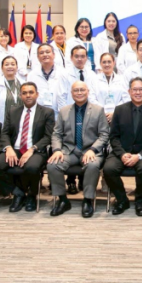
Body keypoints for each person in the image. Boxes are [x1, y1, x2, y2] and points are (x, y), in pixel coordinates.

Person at [102, 77, 142, 217]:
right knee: (108, 169)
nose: (138, 92)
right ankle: (122, 200)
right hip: (122, 152)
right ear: (129, 91)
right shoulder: (119, 110)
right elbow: (114, 137)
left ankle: (140, 201)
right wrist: (122, 154)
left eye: (141, 89)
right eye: (134, 90)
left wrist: (139, 155)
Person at [0, 82, 54, 213]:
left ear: (37, 94)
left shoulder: (47, 112)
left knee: (32, 167)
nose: (28, 95)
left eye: (31, 92)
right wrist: (8, 148)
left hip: (36, 150)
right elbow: (5, 133)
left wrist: (32, 149)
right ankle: (17, 193)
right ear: (20, 95)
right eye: (24, 93)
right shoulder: (13, 111)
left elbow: (48, 136)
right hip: (15, 149)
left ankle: (31, 195)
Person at [47, 81, 109, 218]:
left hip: (91, 151)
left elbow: (104, 134)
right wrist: (57, 149)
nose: (79, 92)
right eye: (76, 90)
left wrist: (93, 149)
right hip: (69, 150)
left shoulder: (98, 110)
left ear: (88, 92)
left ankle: (87, 200)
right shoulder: (64, 111)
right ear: (71, 93)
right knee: (52, 165)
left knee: (92, 165)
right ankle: (63, 200)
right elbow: (56, 134)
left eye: (82, 90)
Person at [87, 52, 129, 123]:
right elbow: (91, 98)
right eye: (104, 62)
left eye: (109, 62)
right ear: (100, 64)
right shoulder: (94, 80)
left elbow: (126, 98)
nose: (107, 64)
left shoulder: (122, 79)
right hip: (99, 116)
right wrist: (103, 112)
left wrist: (115, 113)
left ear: (114, 63)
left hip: (118, 116)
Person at [27, 43, 66, 114]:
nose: (45, 55)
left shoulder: (63, 73)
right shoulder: (32, 75)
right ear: (38, 57)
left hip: (59, 113)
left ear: (54, 55)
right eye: (41, 53)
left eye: (48, 52)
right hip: (38, 114)